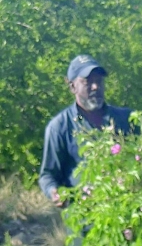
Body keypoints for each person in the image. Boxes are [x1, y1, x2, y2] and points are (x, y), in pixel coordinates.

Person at [39, 55, 131, 207]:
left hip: (125, 216)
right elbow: (48, 175)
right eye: (87, 81)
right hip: (84, 219)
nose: (95, 86)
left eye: (99, 81)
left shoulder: (125, 119)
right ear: (72, 87)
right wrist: (53, 191)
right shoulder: (59, 127)